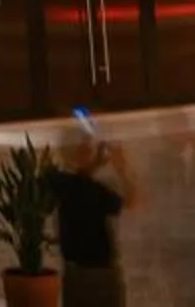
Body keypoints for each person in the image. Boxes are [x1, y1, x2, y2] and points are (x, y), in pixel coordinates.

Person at [47, 129, 137, 307]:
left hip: (73, 273)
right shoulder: (95, 191)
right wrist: (121, 167)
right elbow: (134, 201)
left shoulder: (56, 181)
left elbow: (77, 182)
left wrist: (93, 165)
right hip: (100, 274)